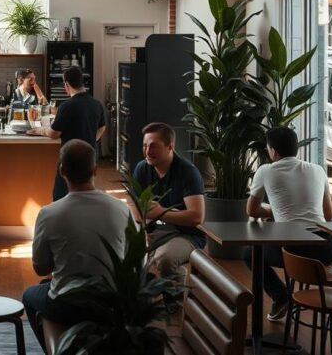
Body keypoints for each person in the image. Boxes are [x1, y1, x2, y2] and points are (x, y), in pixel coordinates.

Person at [23, 140, 130, 350]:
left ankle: (57, 349)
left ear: (62, 171)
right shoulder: (121, 209)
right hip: (111, 303)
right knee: (46, 286)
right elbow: (131, 259)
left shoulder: (49, 213)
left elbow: (41, 268)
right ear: (95, 170)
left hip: (69, 305)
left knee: (30, 295)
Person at [246, 126, 332, 322]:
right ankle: (286, 297)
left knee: (250, 254)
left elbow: (251, 210)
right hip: (327, 249)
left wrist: (271, 211)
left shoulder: (266, 171)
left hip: (294, 251)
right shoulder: (318, 170)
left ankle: (281, 297)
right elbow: (329, 215)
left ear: (273, 151)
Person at [130, 122, 206, 277]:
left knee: (165, 259)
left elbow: (197, 217)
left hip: (186, 235)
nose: (147, 151)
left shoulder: (188, 172)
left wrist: (161, 213)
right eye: (145, 146)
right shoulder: (142, 168)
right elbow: (135, 206)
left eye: (153, 146)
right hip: (154, 232)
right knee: (122, 249)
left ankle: (176, 289)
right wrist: (140, 231)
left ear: (170, 147)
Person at [26, 66, 106, 200]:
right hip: (89, 158)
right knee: (85, 193)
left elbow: (54, 133)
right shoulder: (96, 104)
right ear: (82, 82)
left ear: (67, 85)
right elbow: (102, 127)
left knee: (60, 195)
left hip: (70, 158)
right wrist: (91, 139)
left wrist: (39, 130)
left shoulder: (67, 106)